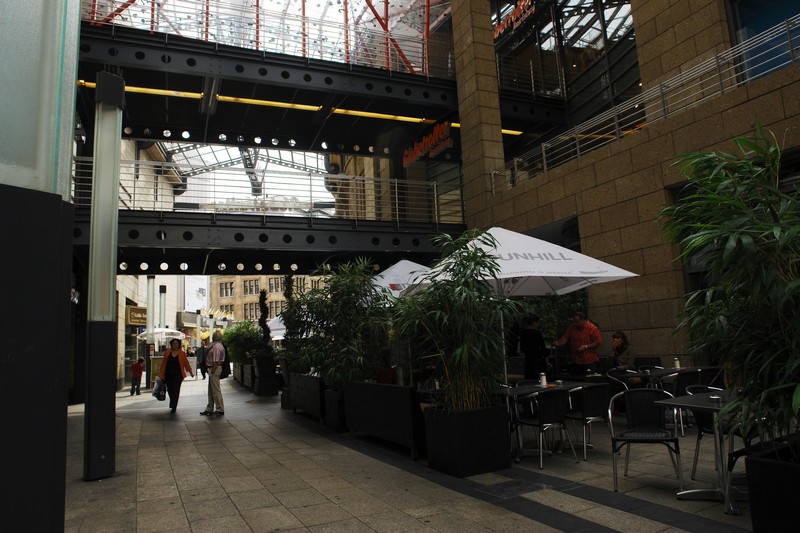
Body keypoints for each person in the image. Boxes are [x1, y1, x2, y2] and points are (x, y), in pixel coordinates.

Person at [554, 310, 602, 375]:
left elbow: (598, 341)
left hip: (588, 361)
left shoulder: (592, 328)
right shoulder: (572, 327)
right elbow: (565, 337)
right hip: (575, 360)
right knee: (577, 378)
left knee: (588, 378)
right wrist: (559, 343)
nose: (575, 324)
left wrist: (586, 346)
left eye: (577, 322)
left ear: (584, 320)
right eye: (574, 321)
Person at [159, 339, 194, 413]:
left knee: (176, 390)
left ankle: (174, 406)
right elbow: (163, 364)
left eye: (176, 343)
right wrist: (161, 374)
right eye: (174, 343)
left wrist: (190, 372)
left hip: (178, 375)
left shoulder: (182, 353)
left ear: (179, 345)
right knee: (170, 390)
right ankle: (173, 401)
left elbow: (186, 363)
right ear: (171, 344)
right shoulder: (167, 352)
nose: (175, 345)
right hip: (168, 374)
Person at [200, 330, 226, 417]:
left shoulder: (216, 347)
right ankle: (210, 408)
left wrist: (212, 370)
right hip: (213, 368)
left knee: (215, 390)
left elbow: (215, 360)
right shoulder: (215, 345)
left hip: (214, 368)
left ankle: (219, 409)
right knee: (211, 390)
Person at [519, 313, 549, 380]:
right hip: (537, 359)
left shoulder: (523, 334)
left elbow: (522, 348)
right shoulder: (537, 334)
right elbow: (543, 348)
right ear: (534, 323)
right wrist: (546, 360)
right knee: (539, 377)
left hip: (528, 359)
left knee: (529, 378)